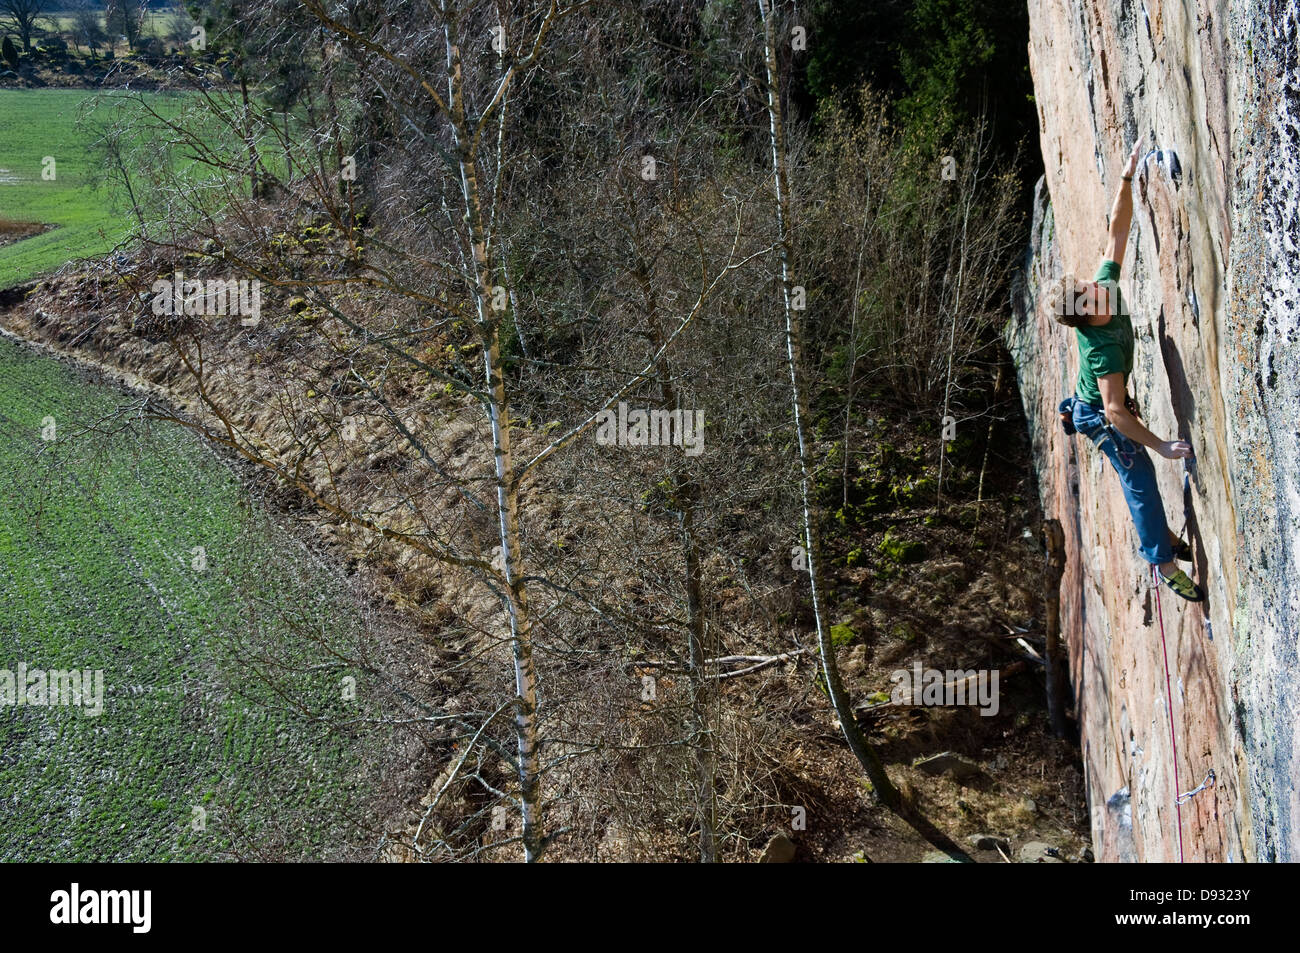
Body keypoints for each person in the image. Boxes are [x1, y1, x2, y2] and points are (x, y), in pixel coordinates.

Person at [1049, 137, 1205, 601]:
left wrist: (1125, 176)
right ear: (1085, 311)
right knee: (1140, 478)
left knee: (1138, 467)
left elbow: (1116, 233)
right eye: (1089, 291)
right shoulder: (1101, 351)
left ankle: (1167, 543)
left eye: (1088, 283)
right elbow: (1116, 411)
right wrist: (1159, 445)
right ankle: (1159, 558)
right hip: (1100, 416)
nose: (1096, 285)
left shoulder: (1102, 291)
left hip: (1095, 401)